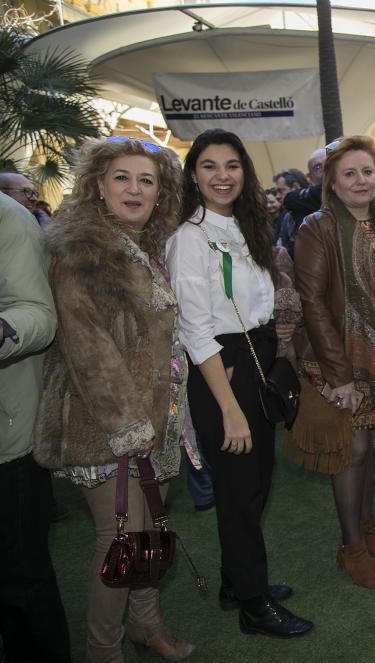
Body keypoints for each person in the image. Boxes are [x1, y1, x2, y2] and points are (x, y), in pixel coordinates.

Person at [33, 137, 193, 661]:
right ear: (98, 187)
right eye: (122, 177)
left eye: (147, 180)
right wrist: (129, 428)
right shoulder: (82, 251)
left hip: (160, 419)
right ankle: (103, 651)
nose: (135, 189)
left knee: (147, 534)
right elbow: (87, 347)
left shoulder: (145, 246)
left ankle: (147, 627)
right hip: (106, 427)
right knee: (118, 540)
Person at [166, 129, 312, 638]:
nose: (222, 175)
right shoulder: (188, 237)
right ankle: (253, 606)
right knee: (241, 494)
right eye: (209, 165)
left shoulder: (246, 225)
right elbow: (194, 328)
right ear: (193, 174)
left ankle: (238, 583)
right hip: (221, 369)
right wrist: (229, 408)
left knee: (250, 488)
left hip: (256, 355)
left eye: (231, 165)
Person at [285, 136, 375, 590]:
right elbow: (313, 303)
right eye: (349, 173)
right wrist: (339, 376)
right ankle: (351, 546)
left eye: (368, 171)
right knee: (352, 451)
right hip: (337, 358)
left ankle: (368, 527)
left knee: (373, 446)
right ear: (332, 183)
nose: (361, 181)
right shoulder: (316, 227)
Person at [0, 193, 70, 663]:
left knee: (20, 577)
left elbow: (41, 315)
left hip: (8, 439)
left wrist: (5, 328)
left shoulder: (7, 218)